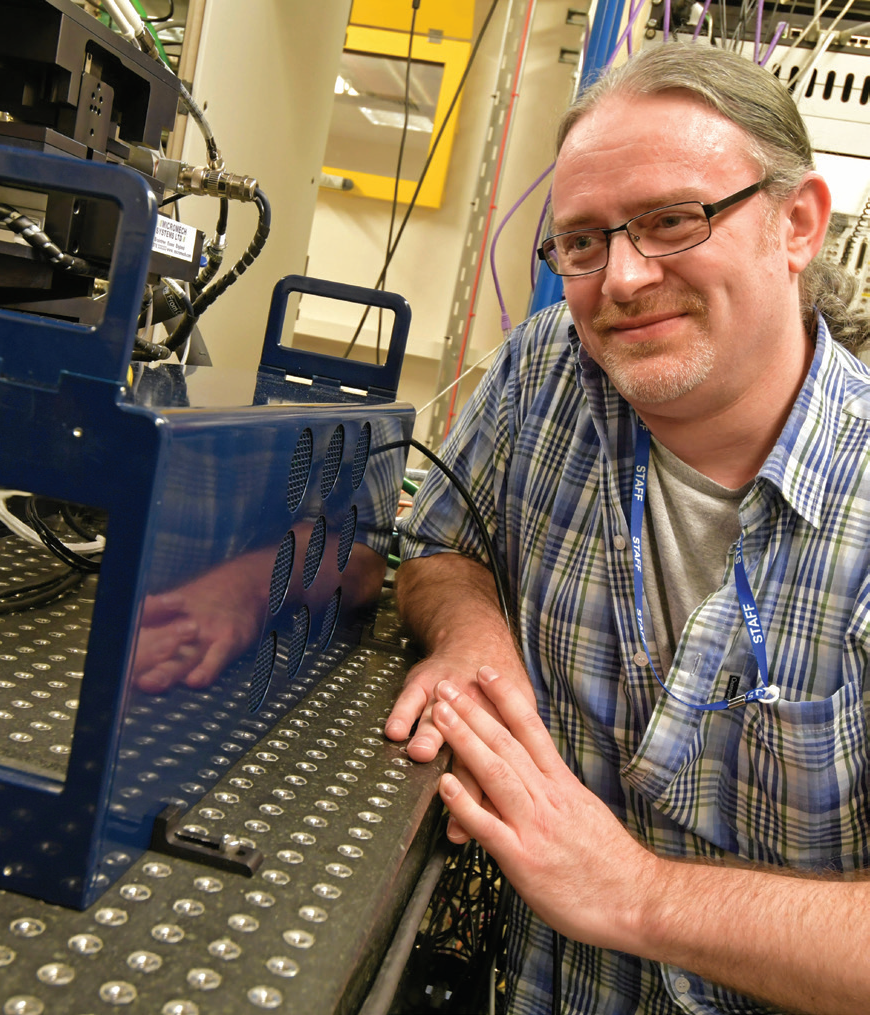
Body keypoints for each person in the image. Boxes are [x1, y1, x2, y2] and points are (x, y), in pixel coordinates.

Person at [385, 41, 870, 1015]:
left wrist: (638, 894)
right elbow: (439, 544)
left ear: (797, 223)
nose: (624, 278)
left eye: (672, 221)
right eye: (583, 240)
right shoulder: (552, 367)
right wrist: (473, 633)